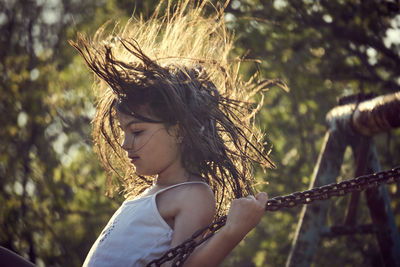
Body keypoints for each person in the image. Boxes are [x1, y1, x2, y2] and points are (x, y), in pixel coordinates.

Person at [70, 0, 275, 266]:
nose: (124, 143)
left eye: (137, 131)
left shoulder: (192, 194)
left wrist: (233, 232)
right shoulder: (148, 195)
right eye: (124, 131)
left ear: (177, 131)